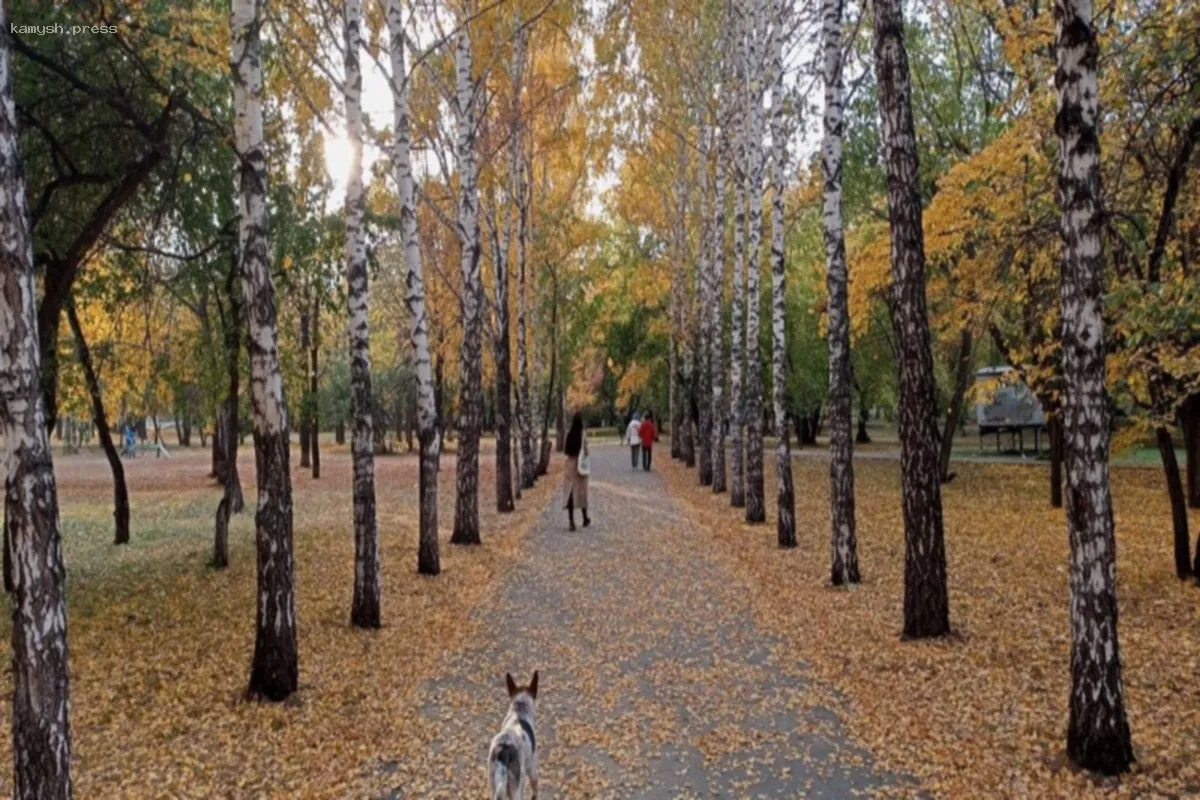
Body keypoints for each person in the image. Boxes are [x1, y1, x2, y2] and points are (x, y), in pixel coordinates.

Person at [562, 412, 590, 531]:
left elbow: (565, 450)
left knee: (570, 492)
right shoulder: (582, 434)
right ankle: (584, 518)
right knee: (582, 492)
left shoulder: (569, 434)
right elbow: (587, 451)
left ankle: (571, 521)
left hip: (570, 464)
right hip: (580, 466)